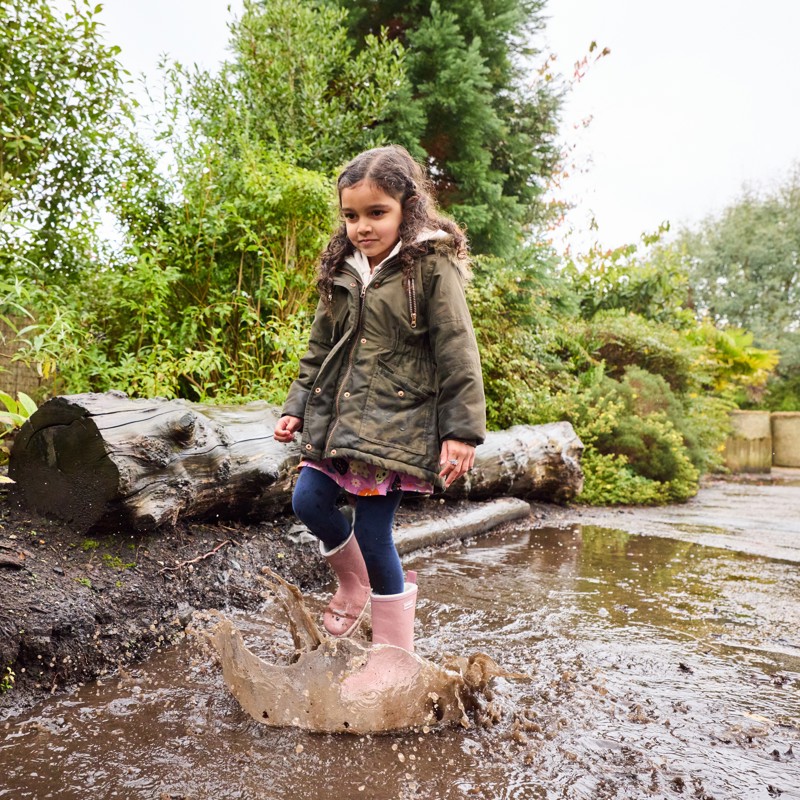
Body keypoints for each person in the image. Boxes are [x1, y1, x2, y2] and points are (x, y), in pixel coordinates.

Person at [274, 145, 485, 661]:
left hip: (396, 422)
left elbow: (457, 348)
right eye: (351, 215)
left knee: (373, 531)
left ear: (406, 207)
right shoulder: (343, 270)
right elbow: (320, 346)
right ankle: (354, 587)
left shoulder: (431, 267)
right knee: (307, 500)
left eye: (376, 213)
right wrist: (297, 404)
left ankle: (394, 656)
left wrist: (461, 431)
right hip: (336, 419)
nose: (362, 227)